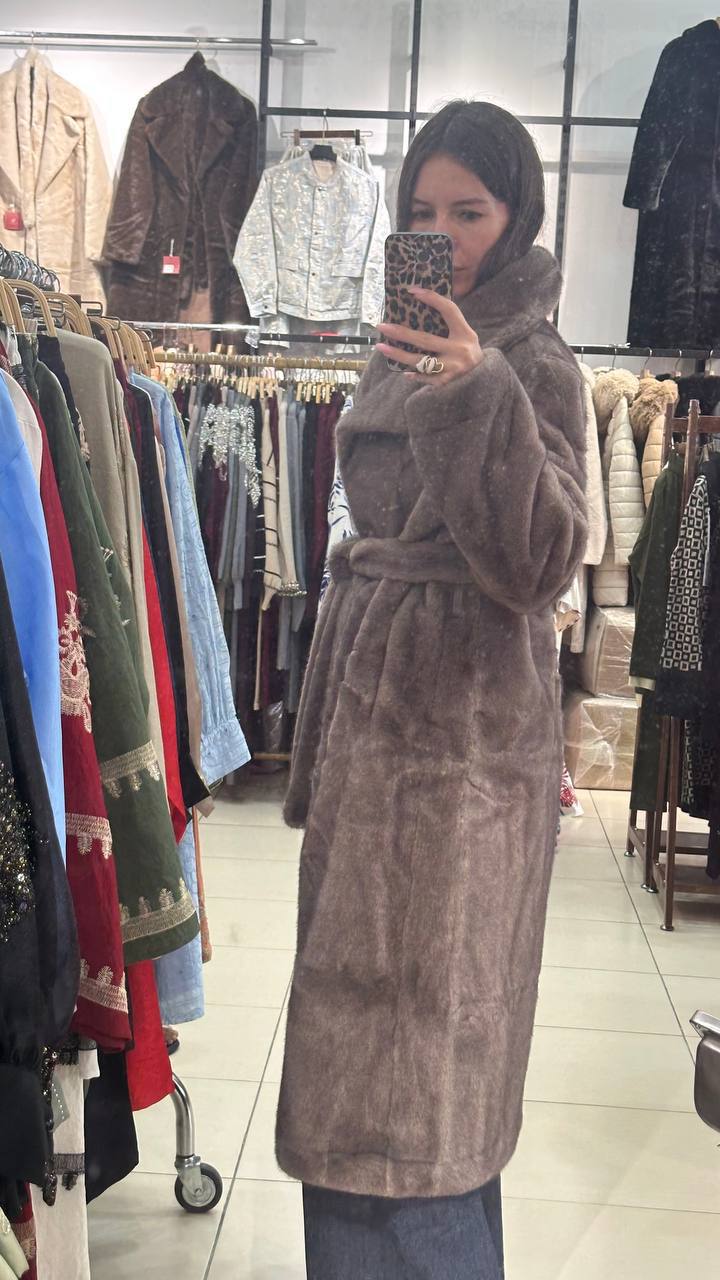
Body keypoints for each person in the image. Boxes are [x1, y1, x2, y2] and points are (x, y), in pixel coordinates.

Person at [277, 100, 588, 1279]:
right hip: (374, 738)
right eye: (422, 212)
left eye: (471, 211)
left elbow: (543, 561)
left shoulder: (534, 364)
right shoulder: (400, 342)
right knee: (368, 1082)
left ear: (518, 219)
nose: (444, 236)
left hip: (459, 762)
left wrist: (476, 395)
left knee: (419, 1101)